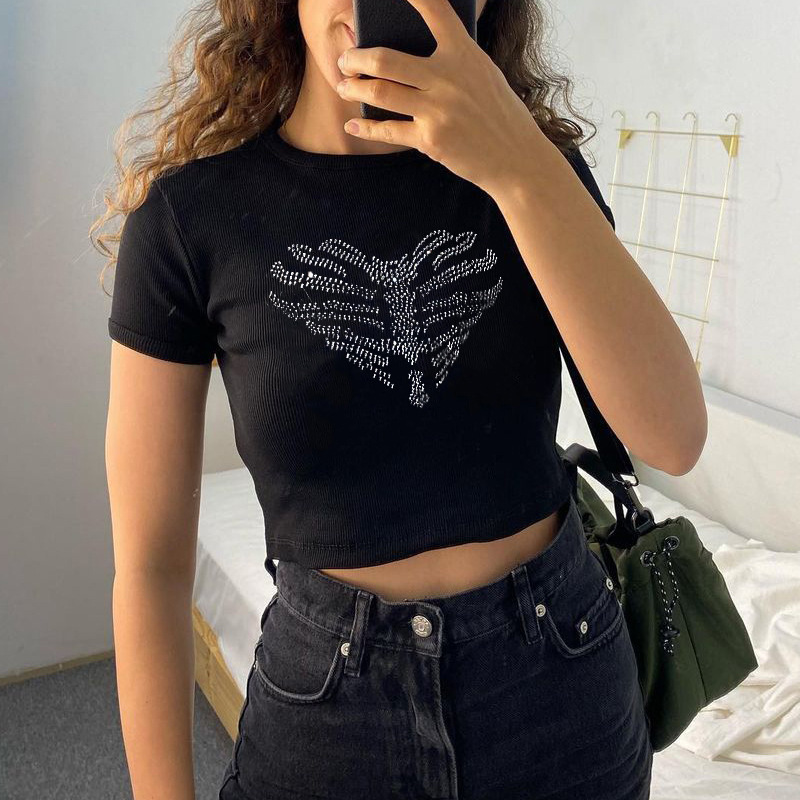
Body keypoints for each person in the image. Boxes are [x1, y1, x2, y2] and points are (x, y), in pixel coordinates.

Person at [98, 1, 707, 798]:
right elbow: (149, 568)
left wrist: (519, 167)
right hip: (326, 722)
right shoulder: (187, 220)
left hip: (562, 687)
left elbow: (674, 437)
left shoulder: (534, 171)